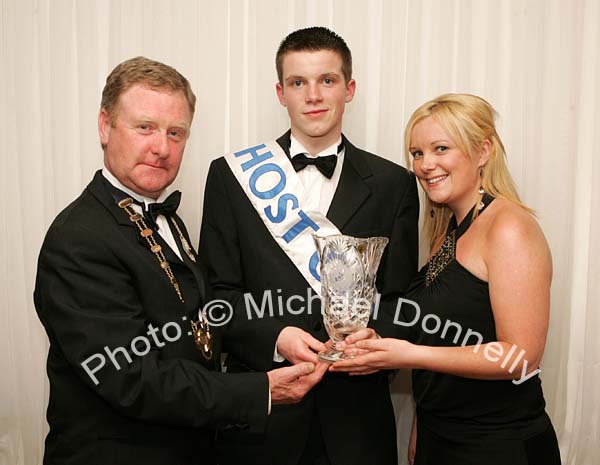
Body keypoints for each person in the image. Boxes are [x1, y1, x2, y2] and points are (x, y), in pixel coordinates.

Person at [33, 56, 327, 465]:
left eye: (176, 133)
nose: (162, 148)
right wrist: (260, 391)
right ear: (105, 126)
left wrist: (276, 336)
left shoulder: (164, 219)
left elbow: (199, 322)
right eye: (145, 128)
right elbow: (131, 378)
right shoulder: (78, 239)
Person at [198, 27, 419, 465]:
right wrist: (276, 336)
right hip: (264, 420)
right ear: (281, 93)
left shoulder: (395, 183)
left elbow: (400, 299)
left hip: (358, 422)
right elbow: (215, 297)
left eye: (327, 80)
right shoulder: (231, 177)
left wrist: (378, 341)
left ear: (349, 88)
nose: (313, 95)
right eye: (298, 82)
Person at [331, 93, 562, 465]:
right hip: (442, 438)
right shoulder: (448, 231)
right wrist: (422, 427)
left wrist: (407, 354)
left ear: (483, 150)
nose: (425, 165)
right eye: (417, 153)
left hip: (497, 445)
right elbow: (444, 333)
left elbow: (521, 359)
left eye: (441, 148)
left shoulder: (509, 228)